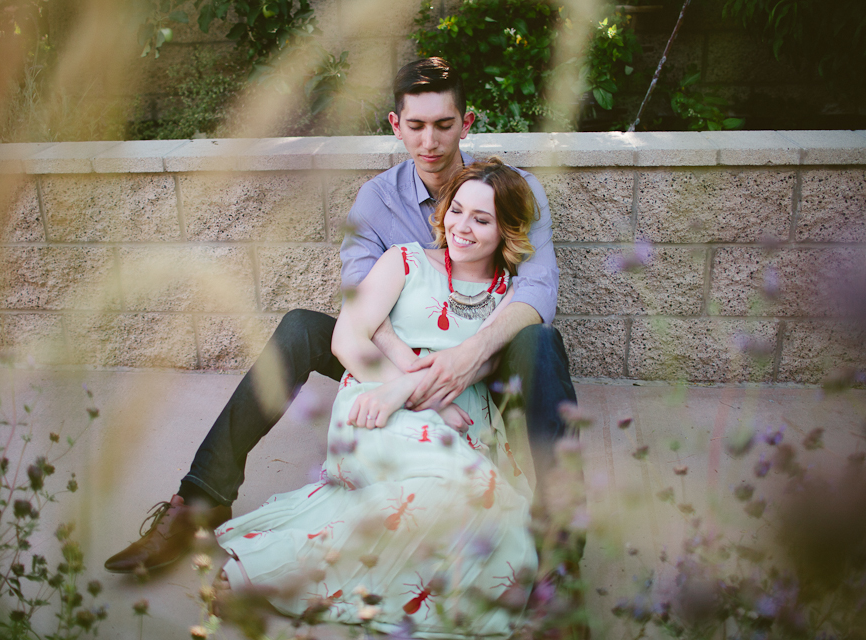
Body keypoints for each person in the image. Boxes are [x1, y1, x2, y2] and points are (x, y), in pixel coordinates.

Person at [104, 57, 576, 574]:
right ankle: (198, 501)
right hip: (400, 354)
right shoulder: (375, 201)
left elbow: (536, 290)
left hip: (486, 355)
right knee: (300, 329)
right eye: (415, 126)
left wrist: (466, 358)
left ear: (466, 122)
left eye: (444, 125)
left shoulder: (514, 192)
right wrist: (411, 373)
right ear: (396, 126)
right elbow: (359, 306)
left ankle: (559, 533)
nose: (430, 143)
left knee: (542, 342)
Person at [214, 158, 539, 636]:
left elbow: (484, 364)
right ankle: (268, 572)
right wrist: (399, 392)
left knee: (501, 519)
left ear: (506, 230)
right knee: (463, 494)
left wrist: (410, 388)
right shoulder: (403, 261)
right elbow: (347, 339)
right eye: (457, 211)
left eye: (482, 219)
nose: (462, 227)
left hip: (458, 422)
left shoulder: (509, 297)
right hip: (375, 404)